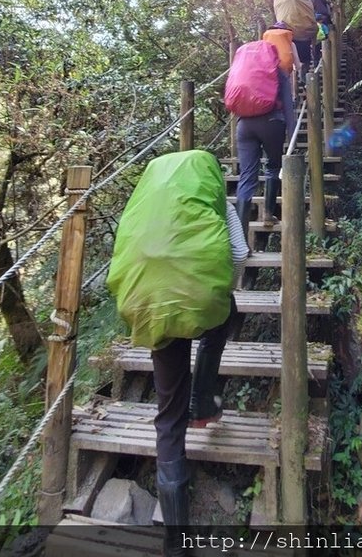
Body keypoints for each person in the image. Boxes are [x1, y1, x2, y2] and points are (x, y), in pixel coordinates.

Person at [151, 165, 249, 555]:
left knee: (168, 416)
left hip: (155, 308)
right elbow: (240, 252)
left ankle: (176, 542)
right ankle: (204, 400)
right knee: (227, 315)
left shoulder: (148, 209)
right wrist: (222, 289)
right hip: (200, 305)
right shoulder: (216, 203)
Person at [235, 63, 295, 234]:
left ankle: (241, 242)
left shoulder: (246, 69)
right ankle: (268, 213)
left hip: (244, 124)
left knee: (246, 176)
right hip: (272, 122)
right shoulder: (279, 72)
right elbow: (289, 108)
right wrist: (292, 137)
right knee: (273, 166)